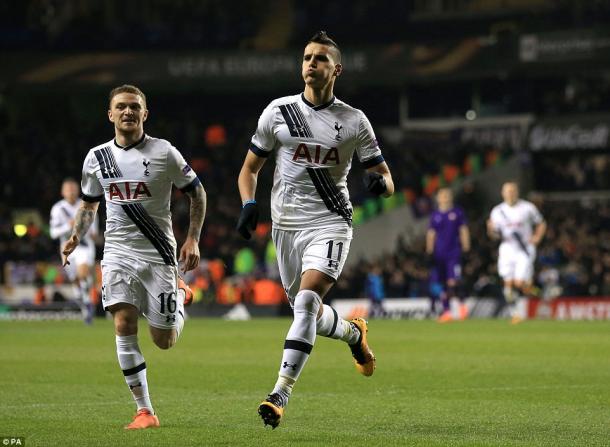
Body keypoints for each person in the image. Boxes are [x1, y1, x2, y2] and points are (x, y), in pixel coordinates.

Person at [236, 31, 395, 429]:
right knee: (307, 313)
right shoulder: (278, 113)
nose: (311, 63)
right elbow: (249, 170)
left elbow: (385, 177)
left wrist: (380, 185)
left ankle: (280, 393)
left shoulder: (354, 120)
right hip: (286, 228)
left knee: (306, 304)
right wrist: (249, 204)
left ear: (336, 69)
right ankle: (354, 335)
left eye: (320, 58)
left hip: (330, 222)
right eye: (307, 57)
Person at [62, 84, 206, 430]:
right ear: (110, 114)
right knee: (123, 324)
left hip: (159, 256)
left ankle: (181, 295)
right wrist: (75, 235)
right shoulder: (96, 158)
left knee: (164, 340)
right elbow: (89, 204)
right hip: (117, 254)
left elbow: (197, 193)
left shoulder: (164, 152)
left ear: (145, 113)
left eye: (134, 107)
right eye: (121, 107)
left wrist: (193, 239)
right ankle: (145, 411)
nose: (128, 112)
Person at [487, 181, 546, 324]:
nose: (510, 194)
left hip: (524, 249)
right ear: (503, 193)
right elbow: (494, 235)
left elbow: (541, 223)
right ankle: (516, 313)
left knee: (519, 283)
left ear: (517, 192)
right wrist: (491, 230)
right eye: (508, 191)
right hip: (507, 248)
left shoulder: (527, 207)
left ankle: (538, 293)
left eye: (513, 191)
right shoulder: (497, 211)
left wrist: (537, 237)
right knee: (507, 285)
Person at [50, 178, 99, 324]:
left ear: (78, 190)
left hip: (84, 245)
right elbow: (53, 233)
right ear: (62, 192)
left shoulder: (86, 206)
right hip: (66, 249)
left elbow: (94, 230)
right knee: (75, 280)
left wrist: (87, 230)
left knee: (83, 273)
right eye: (68, 189)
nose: (71, 192)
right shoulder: (58, 208)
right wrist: (68, 226)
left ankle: (88, 301)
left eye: (73, 189)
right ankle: (85, 303)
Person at [425, 187, 470, 322]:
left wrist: (467, 247)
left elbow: (463, 230)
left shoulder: (457, 212)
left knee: (453, 281)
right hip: (439, 254)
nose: (445, 197)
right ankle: (447, 311)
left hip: (453, 253)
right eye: (442, 195)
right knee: (441, 284)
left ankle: (462, 306)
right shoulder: (435, 215)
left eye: (447, 195)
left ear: (451, 197)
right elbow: (431, 234)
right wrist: (429, 251)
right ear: (438, 198)